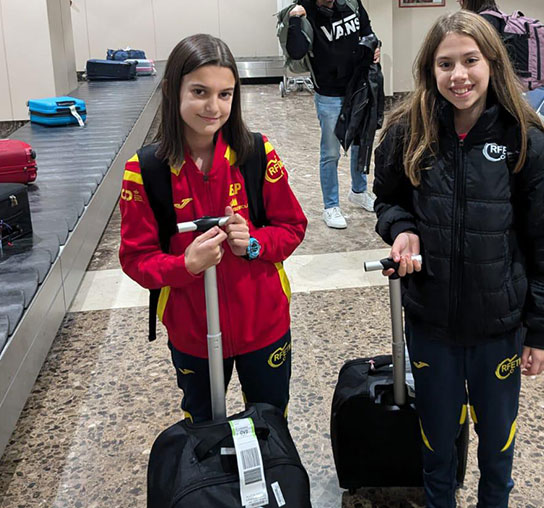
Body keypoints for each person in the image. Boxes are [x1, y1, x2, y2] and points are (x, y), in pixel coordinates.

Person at [373, 11, 544, 508]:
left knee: (497, 447)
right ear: (429, 69)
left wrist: (543, 328)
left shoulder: (525, 138)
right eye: (445, 64)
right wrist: (402, 230)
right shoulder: (408, 130)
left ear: (492, 64)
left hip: (499, 328)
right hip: (431, 322)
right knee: (437, 443)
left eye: (470, 60)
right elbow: (388, 200)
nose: (458, 75)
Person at [119, 34, 308, 423]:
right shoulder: (146, 171)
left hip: (265, 325)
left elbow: (292, 227)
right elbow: (136, 259)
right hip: (194, 334)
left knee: (271, 422)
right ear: (173, 91)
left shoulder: (256, 153)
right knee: (203, 429)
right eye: (200, 92)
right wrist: (184, 264)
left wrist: (253, 243)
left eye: (225, 94)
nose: (213, 107)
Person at [286, 0, 380, 229]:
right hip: (329, 94)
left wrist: (374, 47)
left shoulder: (351, 4)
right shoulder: (304, 11)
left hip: (357, 87)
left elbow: (368, 31)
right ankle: (331, 206)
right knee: (330, 153)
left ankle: (358, 191)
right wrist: (295, 20)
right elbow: (296, 52)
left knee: (360, 143)